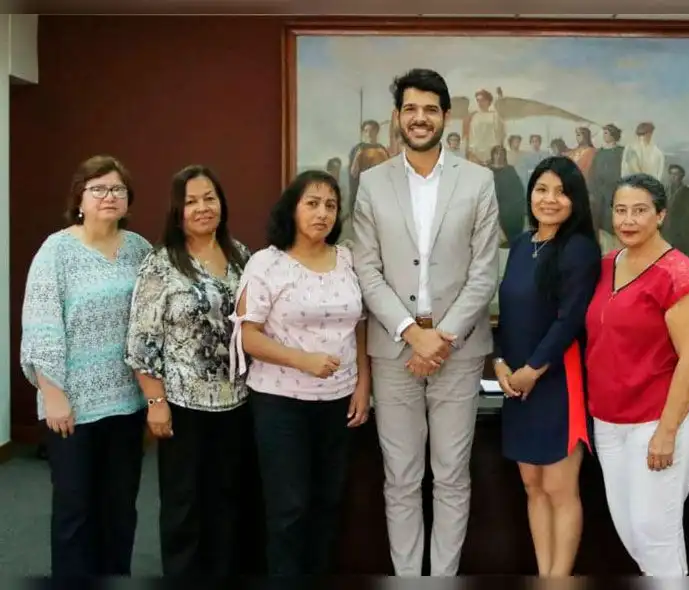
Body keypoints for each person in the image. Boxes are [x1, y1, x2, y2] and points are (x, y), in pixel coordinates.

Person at [351, 68, 500, 577]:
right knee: (401, 477)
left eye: (431, 109)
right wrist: (412, 333)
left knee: (453, 475)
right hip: (394, 351)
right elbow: (365, 267)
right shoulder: (371, 183)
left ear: (445, 117)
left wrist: (441, 336)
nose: (420, 118)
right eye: (411, 109)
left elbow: (484, 270)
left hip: (459, 351)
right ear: (397, 118)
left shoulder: (478, 180)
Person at [229, 169, 371, 576]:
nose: (322, 213)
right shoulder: (266, 264)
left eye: (330, 205)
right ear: (291, 208)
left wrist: (364, 383)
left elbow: (358, 325)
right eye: (312, 203)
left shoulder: (346, 258)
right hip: (281, 404)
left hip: (338, 403)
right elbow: (247, 337)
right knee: (289, 508)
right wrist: (302, 360)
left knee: (329, 505)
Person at [20, 155, 153, 577]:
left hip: (127, 403)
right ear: (80, 197)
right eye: (98, 189)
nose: (108, 196)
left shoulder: (140, 249)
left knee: (120, 509)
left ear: (128, 200)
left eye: (117, 189)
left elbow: (151, 321)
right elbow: (40, 324)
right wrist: (53, 392)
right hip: (72, 404)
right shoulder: (56, 250)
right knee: (75, 510)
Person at [125, 165, 252, 576]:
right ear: (177, 210)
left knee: (228, 503)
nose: (202, 208)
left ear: (222, 203)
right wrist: (155, 402)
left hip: (238, 402)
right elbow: (142, 341)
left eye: (209, 198)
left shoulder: (243, 257)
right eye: (191, 201)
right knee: (184, 507)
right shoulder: (160, 264)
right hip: (182, 405)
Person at [583, 173, 689, 576]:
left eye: (640, 211)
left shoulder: (678, 274)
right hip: (609, 421)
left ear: (661, 215)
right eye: (621, 210)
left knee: (654, 532)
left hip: (659, 421)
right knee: (633, 533)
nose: (628, 220)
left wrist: (667, 432)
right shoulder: (604, 267)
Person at [493, 155, 602, 576]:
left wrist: (533, 369)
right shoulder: (521, 246)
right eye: (542, 189)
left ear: (575, 200)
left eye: (561, 192)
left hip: (557, 380)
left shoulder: (579, 249)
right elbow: (508, 312)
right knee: (532, 487)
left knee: (559, 488)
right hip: (516, 384)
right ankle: (545, 576)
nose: (550, 199)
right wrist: (502, 364)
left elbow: (569, 320)